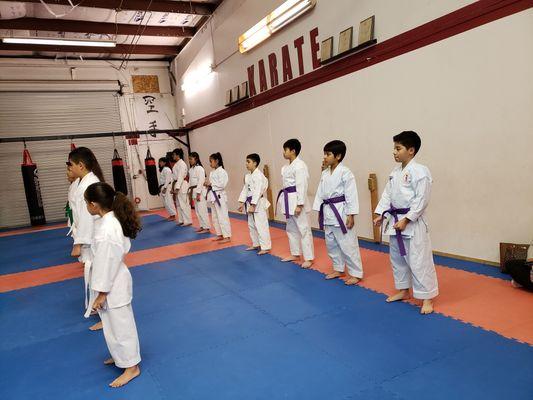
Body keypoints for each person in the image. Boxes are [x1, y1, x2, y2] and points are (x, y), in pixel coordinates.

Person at [373, 130, 439, 315]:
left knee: (419, 260)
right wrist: (381, 214)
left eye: (398, 148)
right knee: (397, 259)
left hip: (413, 223)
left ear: (411, 150)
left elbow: (422, 199)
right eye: (394, 148)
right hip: (395, 221)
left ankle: (427, 297)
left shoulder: (420, 171)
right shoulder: (395, 172)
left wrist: (407, 219)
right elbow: (388, 195)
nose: (394, 152)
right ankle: (403, 290)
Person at [84, 182, 142, 388]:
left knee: (121, 326)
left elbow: (107, 262)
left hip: (113, 282)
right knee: (111, 325)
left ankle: (132, 366)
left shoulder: (108, 228)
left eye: (86, 203)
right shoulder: (106, 221)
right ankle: (121, 357)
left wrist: (101, 293)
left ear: (93, 204)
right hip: (110, 279)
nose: (86, 207)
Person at [313, 140, 363, 285]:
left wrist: (351, 215)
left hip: (341, 212)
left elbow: (351, 194)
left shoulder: (346, 173)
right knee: (331, 243)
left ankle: (356, 273)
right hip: (328, 211)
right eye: (324, 154)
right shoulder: (325, 173)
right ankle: (339, 268)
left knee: (348, 244)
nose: (324, 157)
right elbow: (320, 193)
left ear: (338, 156)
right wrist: (319, 210)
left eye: (328, 154)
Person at [67, 146, 104, 331]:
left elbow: (88, 216)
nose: (69, 168)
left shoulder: (90, 184)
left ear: (81, 165)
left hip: (93, 237)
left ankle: (106, 316)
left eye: (71, 165)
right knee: (94, 276)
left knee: (100, 277)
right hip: (89, 236)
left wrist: (78, 243)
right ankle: (100, 309)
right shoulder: (83, 182)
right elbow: (78, 213)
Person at [277, 139, 314, 269]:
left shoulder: (300, 165)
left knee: (303, 229)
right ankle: (295, 253)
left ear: (293, 151)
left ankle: (309, 258)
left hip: (298, 201)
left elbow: (302, 185)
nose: (283, 152)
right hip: (288, 199)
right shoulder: (286, 167)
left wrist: (300, 204)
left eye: (285, 149)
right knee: (291, 228)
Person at [238, 153, 272, 255]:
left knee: (261, 225)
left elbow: (258, 191)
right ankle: (256, 243)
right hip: (249, 202)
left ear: (255, 163)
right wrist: (241, 203)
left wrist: (253, 205)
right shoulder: (248, 176)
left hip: (257, 203)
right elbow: (245, 190)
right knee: (251, 225)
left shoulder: (259, 175)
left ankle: (265, 247)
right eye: (246, 161)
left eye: (248, 162)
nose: (246, 164)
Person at [206, 152, 232, 243]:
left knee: (222, 216)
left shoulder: (222, 172)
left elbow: (222, 185)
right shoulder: (212, 172)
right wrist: (208, 185)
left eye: (211, 161)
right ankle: (219, 234)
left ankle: (227, 236)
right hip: (213, 197)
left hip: (220, 197)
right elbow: (212, 185)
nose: (210, 163)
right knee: (215, 217)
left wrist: (211, 184)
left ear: (217, 161)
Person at [189, 152, 211, 233]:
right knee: (197, 211)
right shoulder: (191, 169)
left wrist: (198, 193)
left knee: (202, 210)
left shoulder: (200, 168)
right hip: (193, 191)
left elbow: (201, 181)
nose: (190, 160)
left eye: (191, 159)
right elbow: (190, 182)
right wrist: (190, 193)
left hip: (200, 192)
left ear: (196, 159)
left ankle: (207, 227)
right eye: (189, 159)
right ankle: (202, 226)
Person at [171, 148, 192, 226]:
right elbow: (173, 177)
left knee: (184, 204)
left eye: (174, 155)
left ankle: (188, 221)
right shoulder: (176, 164)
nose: (173, 156)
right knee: (179, 204)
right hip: (177, 184)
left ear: (178, 155)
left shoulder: (182, 164)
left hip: (182, 185)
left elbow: (180, 176)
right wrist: (172, 188)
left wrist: (177, 188)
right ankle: (181, 220)